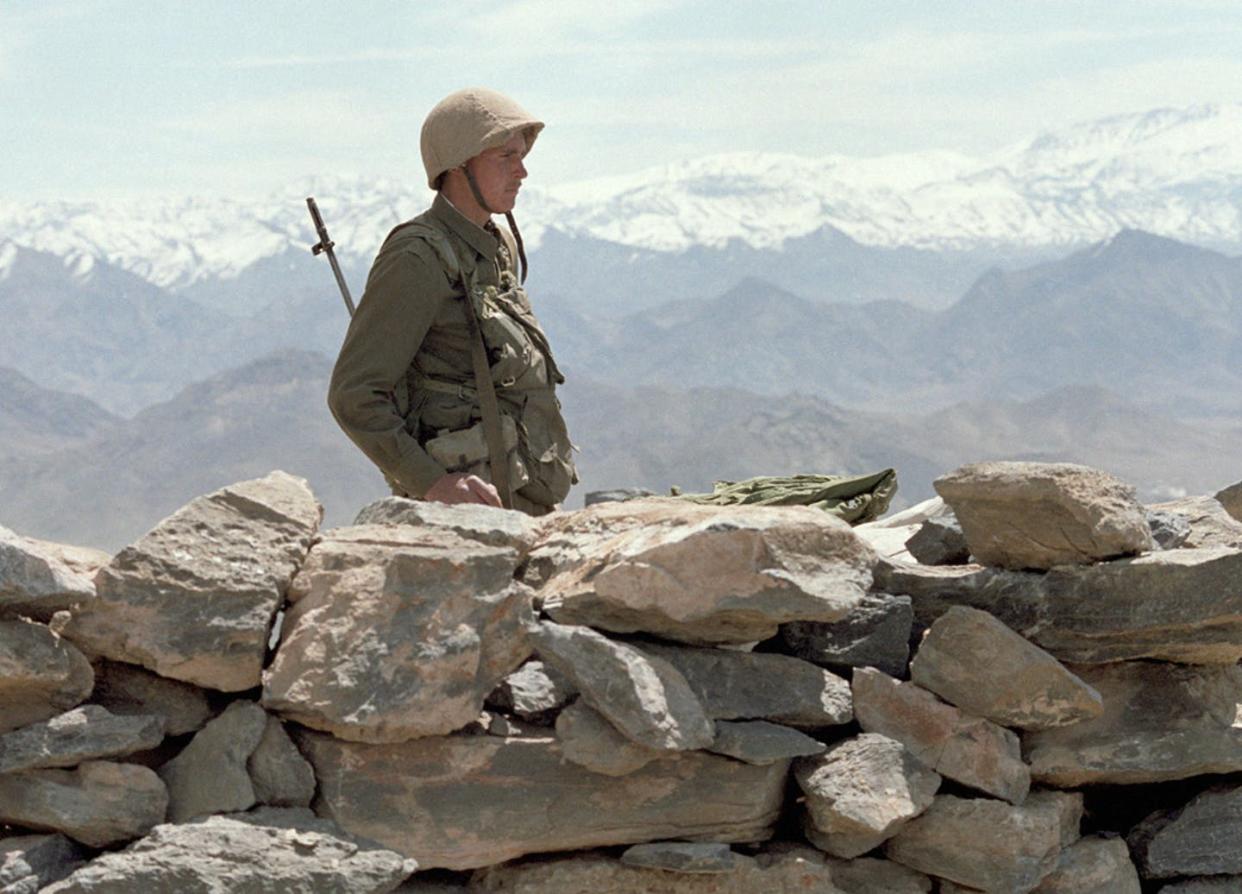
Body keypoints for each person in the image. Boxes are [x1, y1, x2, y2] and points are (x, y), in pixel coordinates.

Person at [327, 87, 576, 516]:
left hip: (522, 502)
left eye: (522, 156)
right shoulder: (417, 257)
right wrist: (432, 483)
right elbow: (354, 394)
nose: (522, 172)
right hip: (461, 516)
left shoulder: (497, 249)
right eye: (506, 157)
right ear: (460, 164)